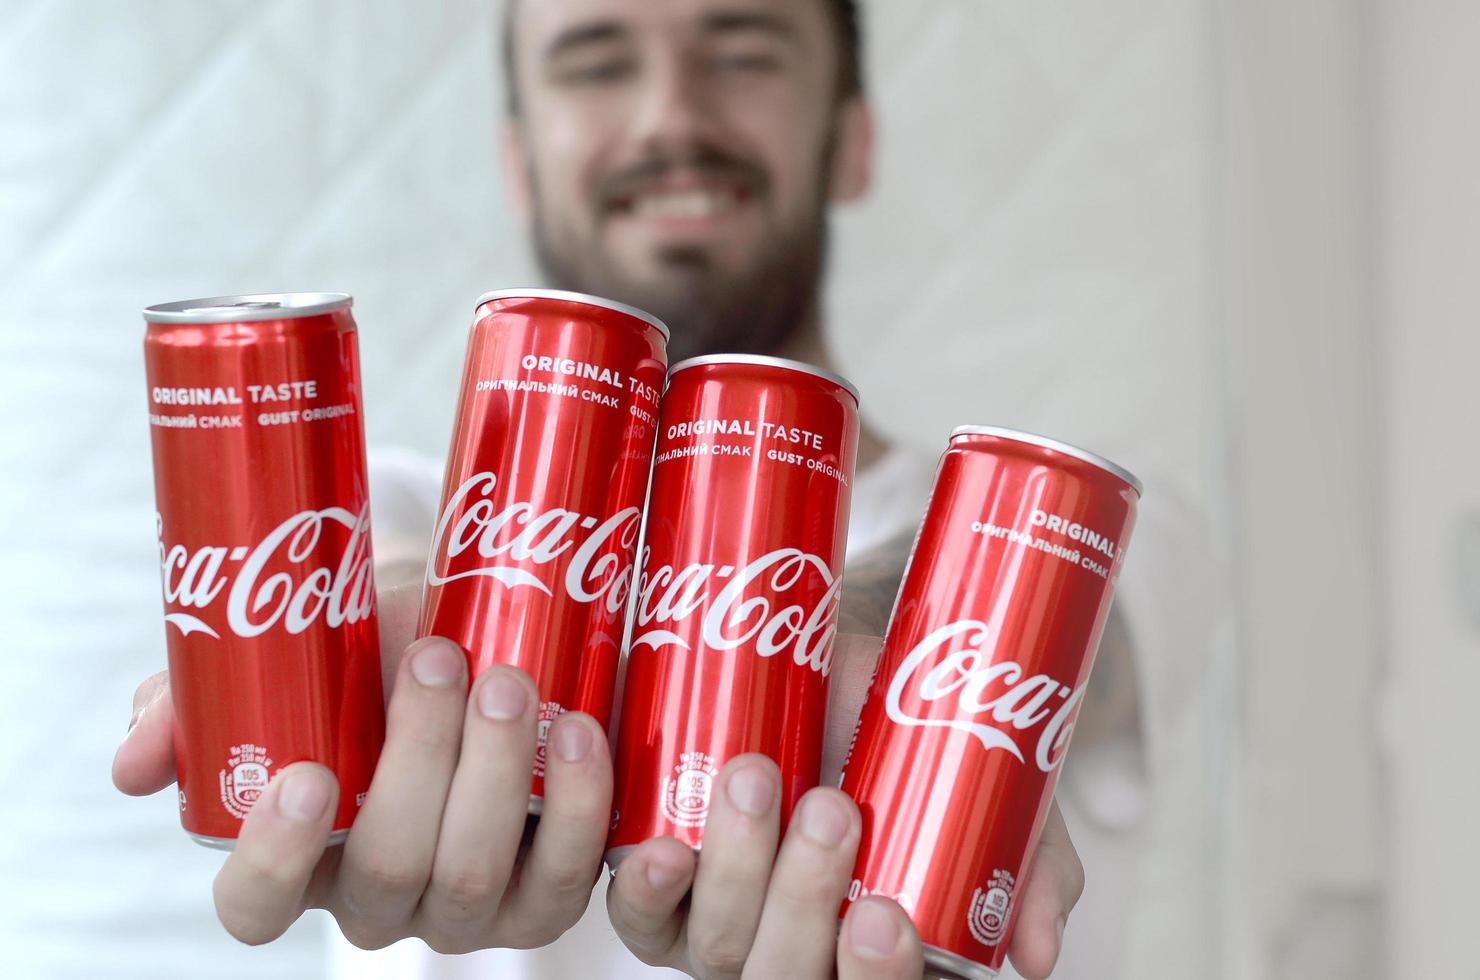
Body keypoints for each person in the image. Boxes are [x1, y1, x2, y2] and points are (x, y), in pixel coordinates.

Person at [114, 1, 1120, 976]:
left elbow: (1085, 654)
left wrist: (857, 646)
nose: (669, 116)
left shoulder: (1062, 545)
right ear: (516, 161)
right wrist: (410, 639)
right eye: (596, 61)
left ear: (854, 139)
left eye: (744, 51)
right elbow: (380, 566)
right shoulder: (394, 502)